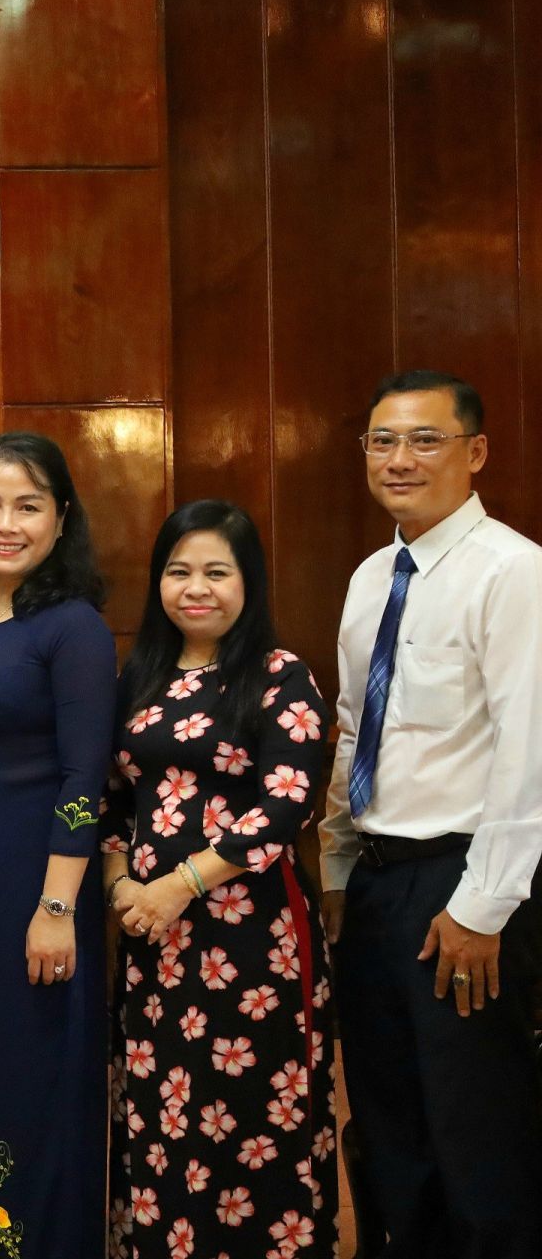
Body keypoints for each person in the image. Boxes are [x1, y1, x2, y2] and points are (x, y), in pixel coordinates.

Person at [318, 369, 542, 1258]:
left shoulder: (514, 572)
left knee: (479, 1140)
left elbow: (529, 749)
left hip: (465, 884)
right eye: (382, 440)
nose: (399, 458)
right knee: (392, 1133)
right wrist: (336, 870)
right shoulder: (375, 574)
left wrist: (483, 907)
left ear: (475, 452)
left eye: (424, 439)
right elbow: (349, 727)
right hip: (376, 884)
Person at [100, 500, 336, 1259]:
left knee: (255, 1111)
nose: (195, 588)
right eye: (178, 570)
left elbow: (286, 805)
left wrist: (179, 884)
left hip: (254, 938)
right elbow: (109, 803)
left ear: (248, 582)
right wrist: (121, 889)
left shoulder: (278, 673)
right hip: (152, 940)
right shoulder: (137, 674)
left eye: (216, 571)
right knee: (163, 1113)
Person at [0, 432, 114, 1258]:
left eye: (28, 506)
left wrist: (56, 907)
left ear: (61, 517)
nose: (6, 523)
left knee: (36, 1085)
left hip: (39, 891)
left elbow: (86, 778)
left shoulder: (72, 627)